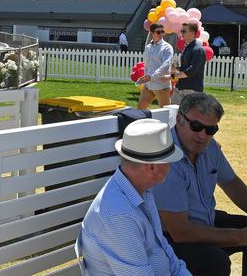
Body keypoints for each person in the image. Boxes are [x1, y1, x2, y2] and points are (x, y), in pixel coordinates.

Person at [153, 93, 247, 276]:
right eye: (196, 126)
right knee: (216, 261)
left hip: (202, 221)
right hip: (168, 239)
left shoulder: (210, 148)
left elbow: (231, 182)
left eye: (210, 130)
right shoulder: (166, 158)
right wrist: (241, 237)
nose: (202, 135)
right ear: (179, 119)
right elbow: (180, 231)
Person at [77, 118, 191, 275]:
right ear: (152, 168)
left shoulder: (141, 189)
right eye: (169, 161)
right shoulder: (119, 216)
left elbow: (165, 252)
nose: (172, 166)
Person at [137, 23, 173, 109]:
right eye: (158, 32)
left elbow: (166, 65)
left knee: (166, 113)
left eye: (162, 32)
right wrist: (146, 77)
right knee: (140, 109)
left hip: (161, 86)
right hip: (148, 85)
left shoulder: (167, 47)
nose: (161, 34)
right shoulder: (148, 47)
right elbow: (147, 65)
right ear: (152, 33)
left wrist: (151, 76)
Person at [170, 23, 206, 104]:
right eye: (181, 31)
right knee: (172, 114)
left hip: (192, 90)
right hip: (180, 88)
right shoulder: (187, 47)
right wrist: (175, 68)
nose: (181, 33)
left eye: (184, 31)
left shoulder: (198, 49)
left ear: (192, 33)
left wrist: (172, 76)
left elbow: (191, 71)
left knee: (190, 116)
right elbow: (184, 68)